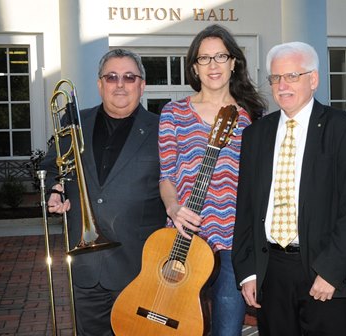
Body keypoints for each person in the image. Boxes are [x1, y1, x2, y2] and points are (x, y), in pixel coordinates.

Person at [232, 41, 346, 336]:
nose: (282, 85)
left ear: (313, 79)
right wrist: (247, 271)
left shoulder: (345, 129)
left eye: (292, 76)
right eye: (275, 78)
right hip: (270, 272)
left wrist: (331, 272)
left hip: (323, 272)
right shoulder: (255, 135)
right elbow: (245, 209)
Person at [40, 48, 166, 335]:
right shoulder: (75, 122)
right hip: (86, 266)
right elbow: (50, 166)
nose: (120, 84)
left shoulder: (162, 129)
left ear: (142, 85)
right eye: (111, 77)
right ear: (100, 84)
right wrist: (54, 189)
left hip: (138, 268)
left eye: (129, 77)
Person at [158, 24, 267, 336]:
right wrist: (173, 207)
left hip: (234, 243)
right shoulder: (173, 113)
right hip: (184, 241)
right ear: (194, 67)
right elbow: (166, 175)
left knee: (227, 331)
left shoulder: (251, 117)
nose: (213, 65)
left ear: (233, 62)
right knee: (176, 328)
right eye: (204, 59)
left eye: (220, 56)